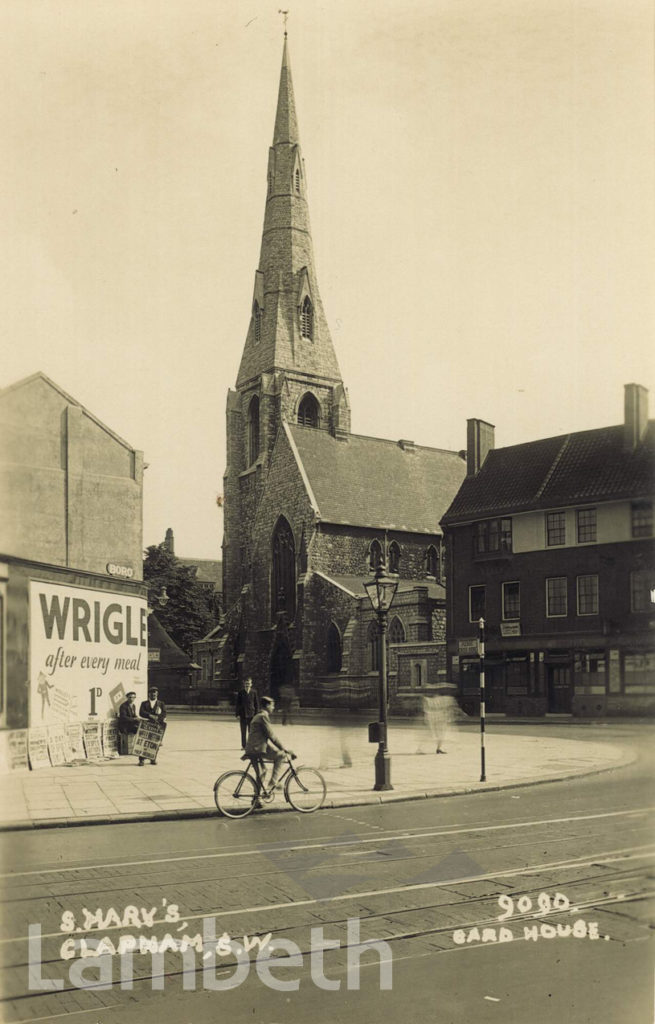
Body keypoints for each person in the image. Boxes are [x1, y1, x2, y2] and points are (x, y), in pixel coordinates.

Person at [245, 696, 294, 795]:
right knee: (281, 756)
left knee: (262, 772)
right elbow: (271, 736)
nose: (273, 708)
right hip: (257, 748)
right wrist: (284, 749)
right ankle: (273, 783)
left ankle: (257, 799)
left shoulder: (259, 715)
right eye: (272, 705)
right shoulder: (263, 716)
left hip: (253, 747)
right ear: (267, 705)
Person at [138, 687, 167, 765]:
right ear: (149, 694)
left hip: (157, 725)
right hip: (146, 725)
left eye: (155, 693)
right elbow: (141, 712)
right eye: (152, 693)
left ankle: (153, 758)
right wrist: (150, 715)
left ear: (157, 694)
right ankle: (141, 760)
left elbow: (164, 713)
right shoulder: (144, 703)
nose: (153, 695)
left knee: (155, 742)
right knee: (143, 742)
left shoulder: (161, 703)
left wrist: (158, 717)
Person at [234, 677, 260, 749]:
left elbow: (256, 704)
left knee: (251, 732)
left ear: (251, 684)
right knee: (243, 731)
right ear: (244, 684)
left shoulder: (254, 692)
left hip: (251, 715)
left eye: (248, 683)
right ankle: (244, 746)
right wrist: (237, 714)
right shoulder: (241, 692)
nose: (247, 685)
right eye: (246, 684)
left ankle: (250, 745)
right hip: (243, 715)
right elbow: (238, 704)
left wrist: (256, 714)